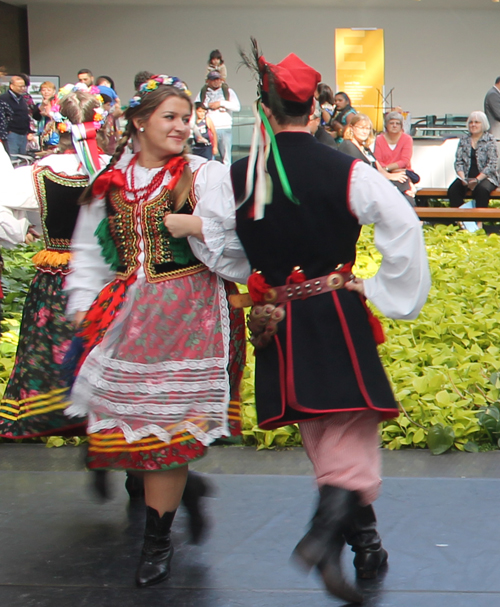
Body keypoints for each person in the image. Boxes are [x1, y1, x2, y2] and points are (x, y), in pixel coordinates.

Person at [176, 45, 430, 603]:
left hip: (277, 318)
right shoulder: (347, 169)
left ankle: (364, 546)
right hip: (334, 312)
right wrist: (384, 289)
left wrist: (265, 270)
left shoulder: (236, 175)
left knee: (325, 434)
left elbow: (223, 248)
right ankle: (322, 537)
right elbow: (402, 225)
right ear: (315, 110)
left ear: (264, 110)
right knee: (350, 433)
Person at [63, 75, 248, 588]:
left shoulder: (203, 175)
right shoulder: (112, 180)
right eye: (169, 116)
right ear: (140, 122)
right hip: (127, 312)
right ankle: (179, 495)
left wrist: (197, 228)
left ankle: (157, 541)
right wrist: (82, 300)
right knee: (126, 423)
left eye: (186, 118)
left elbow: (237, 248)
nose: (181, 126)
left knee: (166, 428)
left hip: (188, 313)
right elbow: (90, 248)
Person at [0, 85, 109, 438]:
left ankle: (45, 412)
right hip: (104, 273)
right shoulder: (112, 168)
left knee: (47, 344)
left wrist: (19, 231)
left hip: (56, 273)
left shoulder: (40, 172)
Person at [340, 114, 415, 205]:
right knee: (405, 198)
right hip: (363, 188)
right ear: (352, 128)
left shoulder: (365, 148)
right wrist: (389, 177)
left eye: (367, 129)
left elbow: (379, 168)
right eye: (361, 128)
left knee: (405, 186)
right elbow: (362, 172)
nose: (365, 132)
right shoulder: (348, 146)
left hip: (374, 183)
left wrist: (392, 176)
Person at [447, 111, 498, 209]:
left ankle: (479, 222)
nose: (473, 125)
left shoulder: (490, 140)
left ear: (483, 124)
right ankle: (461, 220)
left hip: (486, 177)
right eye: (471, 122)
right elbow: (459, 161)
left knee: (481, 190)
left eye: (476, 122)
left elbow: (492, 164)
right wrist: (462, 178)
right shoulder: (464, 140)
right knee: (453, 190)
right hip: (466, 177)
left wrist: (477, 179)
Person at [195, 71, 240, 165]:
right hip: (209, 128)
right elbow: (197, 105)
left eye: (218, 79)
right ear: (208, 81)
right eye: (213, 80)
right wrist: (208, 105)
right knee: (209, 157)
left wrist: (221, 103)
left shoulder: (228, 91)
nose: (216, 82)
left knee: (226, 157)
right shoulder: (203, 92)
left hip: (225, 127)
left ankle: (227, 176)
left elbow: (237, 107)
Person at [0, 74, 33, 157]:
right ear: (11, 86)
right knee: (13, 157)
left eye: (23, 86)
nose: (22, 89)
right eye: (19, 86)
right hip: (12, 133)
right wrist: (7, 131)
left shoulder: (24, 98)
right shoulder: (4, 99)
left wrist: (28, 131)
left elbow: (26, 115)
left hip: (23, 133)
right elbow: (3, 117)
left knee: (23, 158)